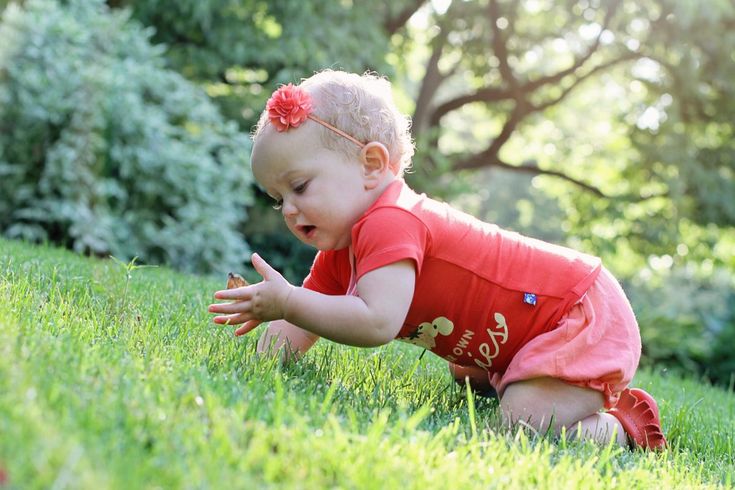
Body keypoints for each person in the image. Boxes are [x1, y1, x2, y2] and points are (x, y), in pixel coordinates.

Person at [208, 70, 667, 450]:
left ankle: (621, 429)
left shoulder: (391, 220)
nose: (288, 208)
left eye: (300, 187)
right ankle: (509, 378)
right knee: (468, 379)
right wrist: (255, 358)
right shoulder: (342, 250)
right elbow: (303, 323)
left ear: (371, 165)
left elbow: (374, 322)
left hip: (573, 311)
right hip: (529, 324)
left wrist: (287, 301)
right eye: (277, 198)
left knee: (519, 431)